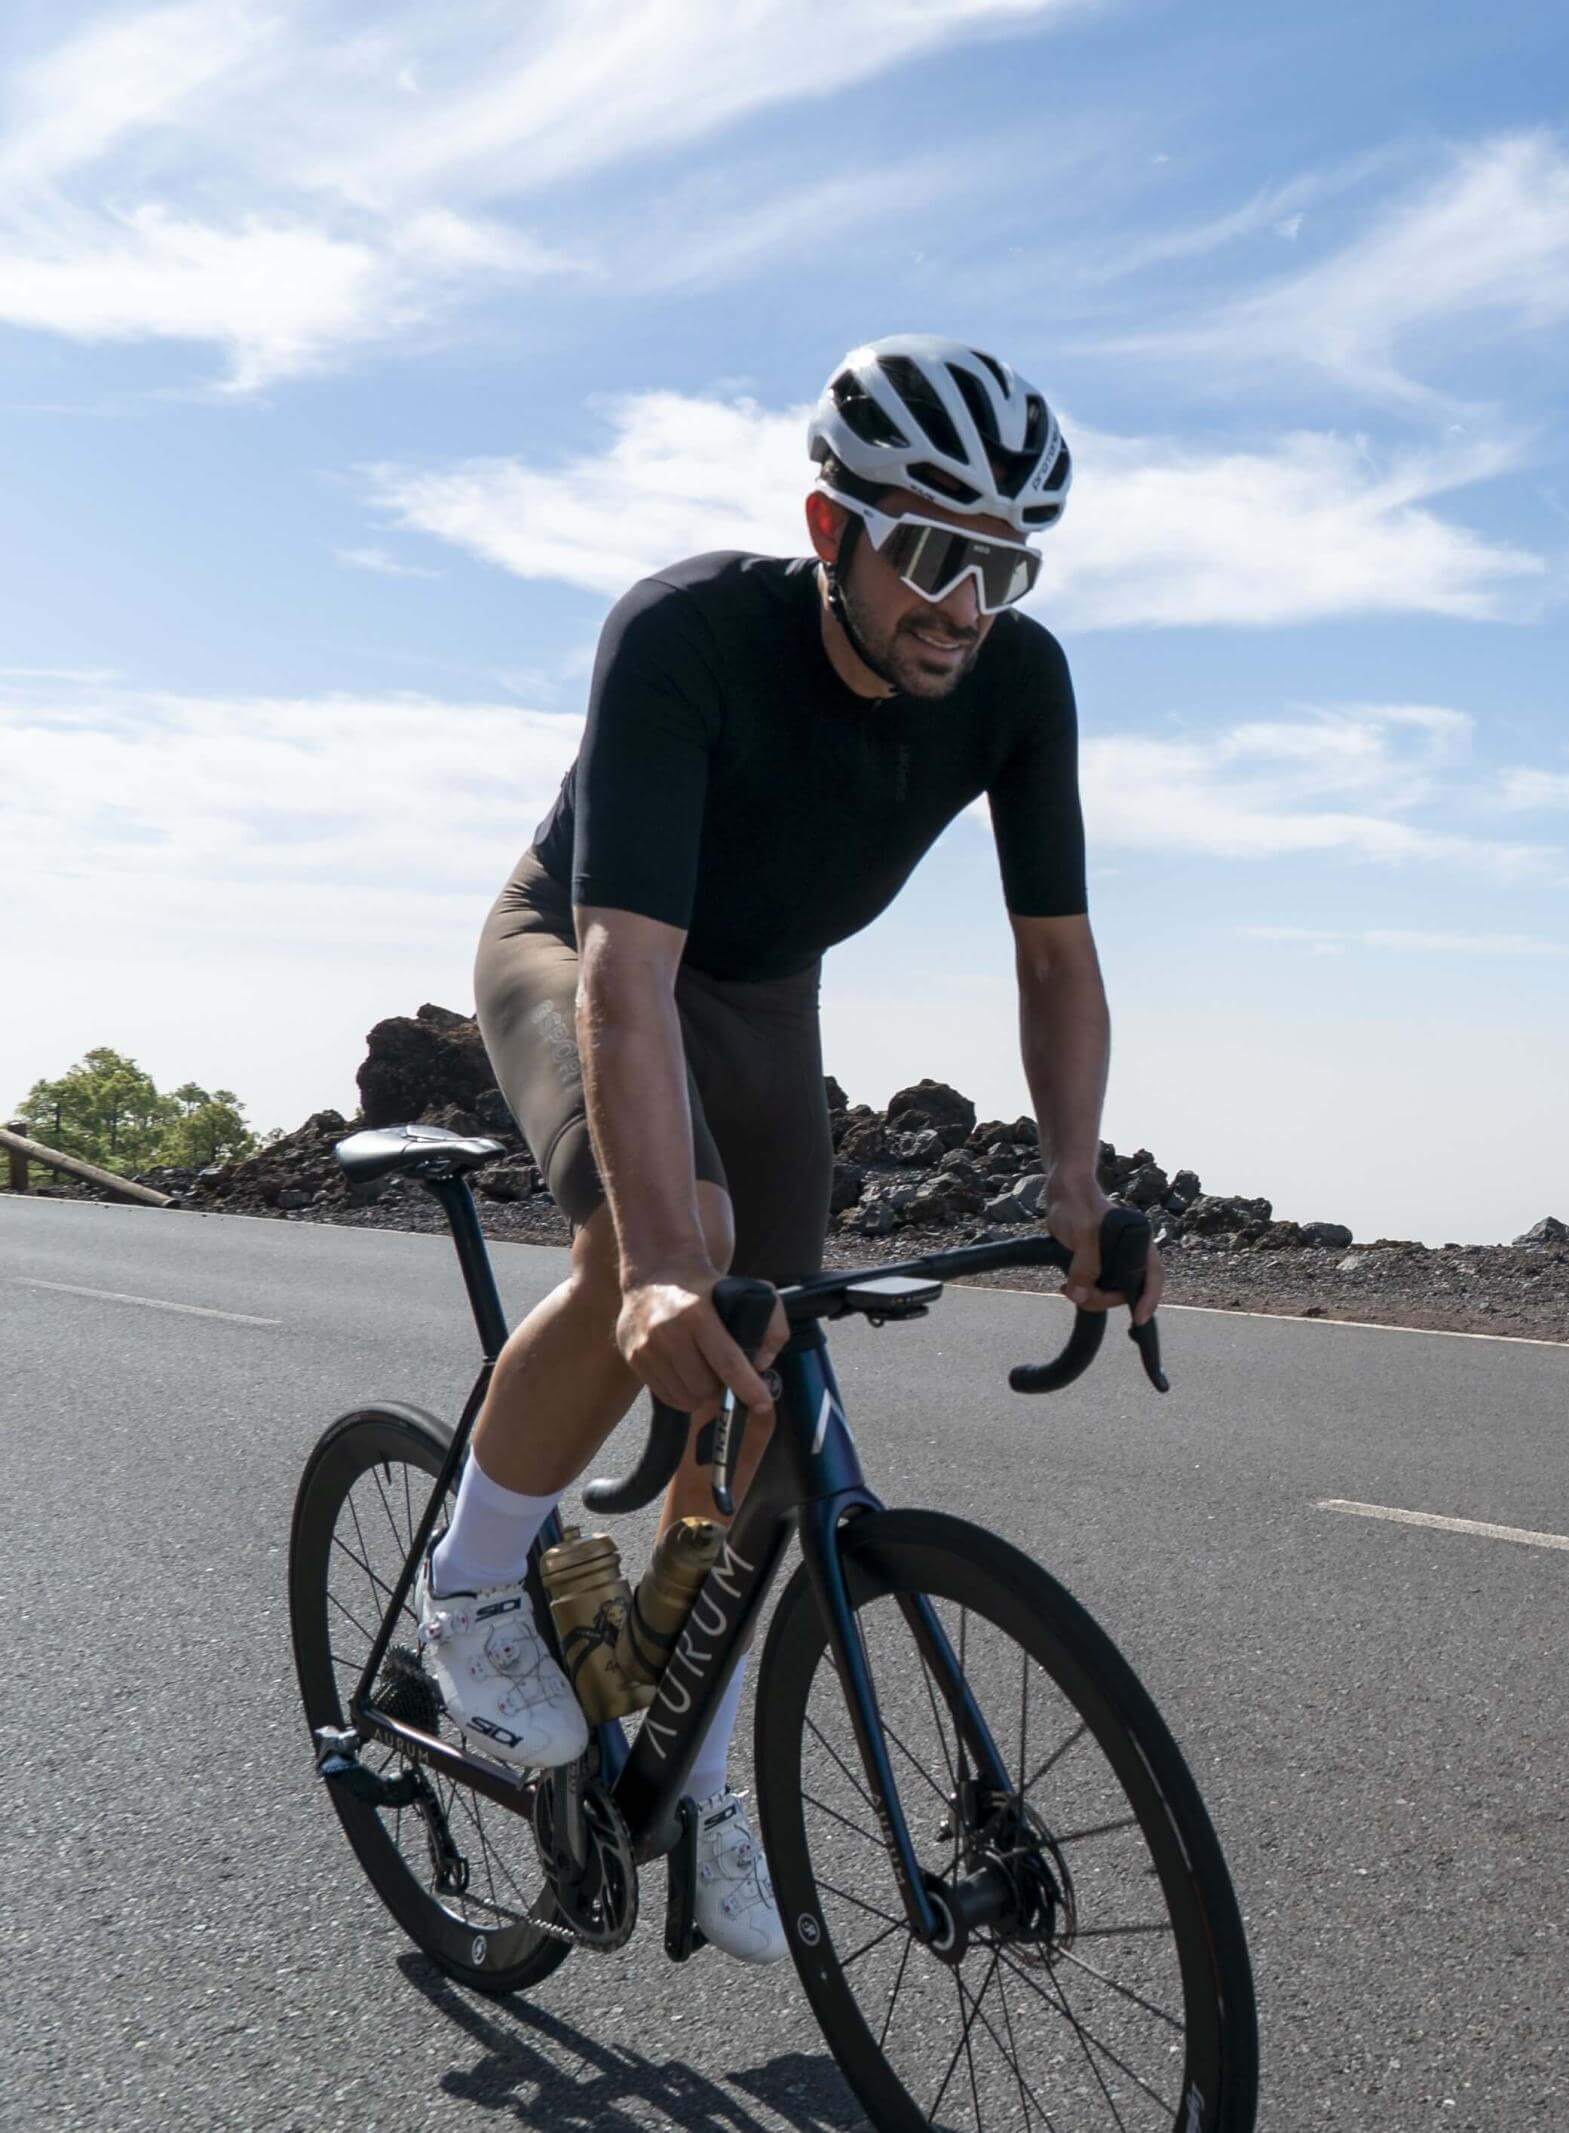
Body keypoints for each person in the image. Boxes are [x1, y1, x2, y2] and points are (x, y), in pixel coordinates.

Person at [415, 333, 1164, 1962]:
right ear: (833, 529)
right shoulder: (685, 633)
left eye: (1007, 568)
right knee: (669, 1230)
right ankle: (472, 1577)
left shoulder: (1018, 685)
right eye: (935, 554)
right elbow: (624, 978)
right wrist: (655, 1264)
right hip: (585, 947)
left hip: (763, 994)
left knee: (769, 1360)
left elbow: (1056, 957)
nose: (967, 606)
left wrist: (1076, 1181)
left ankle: (698, 1761)